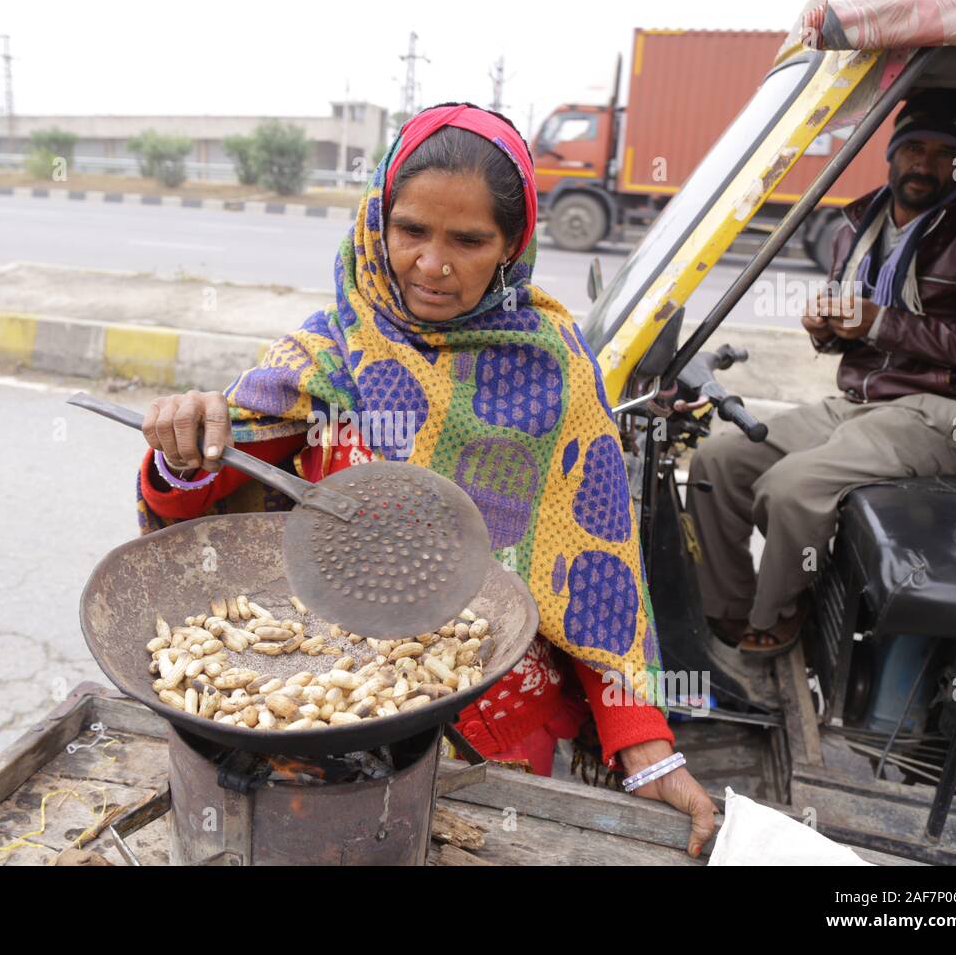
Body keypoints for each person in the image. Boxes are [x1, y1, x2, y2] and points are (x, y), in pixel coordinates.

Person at [136, 102, 716, 857]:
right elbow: (207, 501)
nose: (433, 265)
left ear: (511, 244)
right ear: (379, 222)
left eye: (468, 240)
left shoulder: (554, 369)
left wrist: (645, 746)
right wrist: (182, 453)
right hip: (322, 704)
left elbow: (596, 575)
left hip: (495, 726)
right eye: (411, 231)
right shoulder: (327, 353)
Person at [688, 88, 956, 655]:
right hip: (860, 402)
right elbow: (851, 335)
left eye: (943, 153)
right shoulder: (859, 225)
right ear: (891, 152)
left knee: (792, 488)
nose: (924, 164)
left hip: (939, 415)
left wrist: (879, 323)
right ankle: (728, 610)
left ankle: (781, 612)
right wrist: (826, 328)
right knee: (718, 460)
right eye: (914, 148)